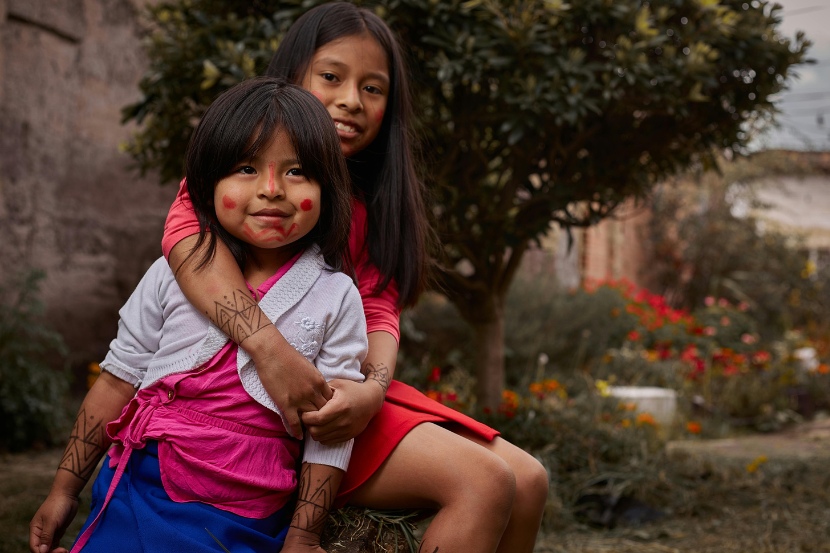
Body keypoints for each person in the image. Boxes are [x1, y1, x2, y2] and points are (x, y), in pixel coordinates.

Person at [163, 4, 550, 552]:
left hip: (339, 391)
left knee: (529, 479)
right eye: (331, 77)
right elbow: (185, 246)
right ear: (291, 76)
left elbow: (379, 306)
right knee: (482, 482)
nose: (351, 100)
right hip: (245, 398)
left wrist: (372, 390)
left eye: (373, 88)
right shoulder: (238, 171)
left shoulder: (372, 201)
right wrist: (274, 355)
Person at [29, 78, 367, 553]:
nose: (271, 190)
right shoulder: (171, 274)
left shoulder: (335, 297)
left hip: (248, 514)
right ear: (207, 183)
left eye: (297, 172)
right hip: (143, 489)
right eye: (246, 168)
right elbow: (116, 380)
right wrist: (64, 489)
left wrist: (303, 535)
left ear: (327, 188)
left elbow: (329, 435)